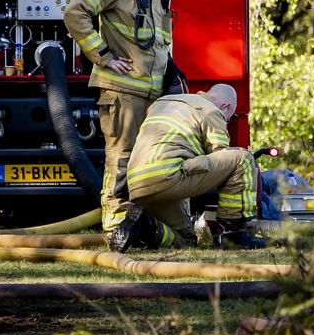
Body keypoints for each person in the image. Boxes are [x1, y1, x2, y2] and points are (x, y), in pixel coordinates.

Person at [62, 0, 182, 234]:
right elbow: (75, 13)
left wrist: (170, 72)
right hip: (122, 90)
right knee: (122, 156)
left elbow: (160, 37)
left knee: (151, 156)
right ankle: (116, 221)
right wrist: (103, 56)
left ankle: (143, 220)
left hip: (151, 92)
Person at [107, 84, 267, 251]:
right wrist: (248, 216)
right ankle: (234, 235)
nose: (226, 121)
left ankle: (146, 228)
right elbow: (223, 158)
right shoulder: (211, 110)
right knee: (242, 158)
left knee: (187, 239)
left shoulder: (163, 102)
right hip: (168, 177)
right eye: (229, 117)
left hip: (137, 183)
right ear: (225, 106)